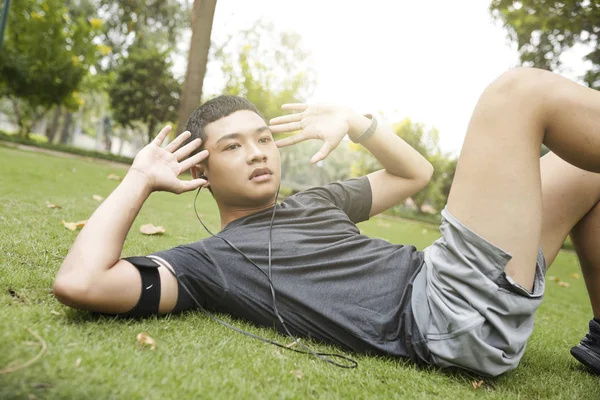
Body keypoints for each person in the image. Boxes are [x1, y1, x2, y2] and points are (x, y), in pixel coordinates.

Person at [53, 67, 600, 377]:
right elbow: (82, 282)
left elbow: (414, 173)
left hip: (448, 286)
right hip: (443, 317)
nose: (257, 152)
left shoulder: (317, 202)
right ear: (200, 168)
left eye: (263, 137)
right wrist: (140, 178)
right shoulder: (209, 263)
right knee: (518, 94)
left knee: (586, 172)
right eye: (233, 146)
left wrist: (357, 123)